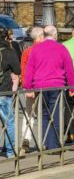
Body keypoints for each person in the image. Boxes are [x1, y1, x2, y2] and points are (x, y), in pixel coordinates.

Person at [23, 26, 74, 151]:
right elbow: (69, 69)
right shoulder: (61, 48)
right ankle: (53, 145)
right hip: (57, 85)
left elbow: (29, 69)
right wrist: (72, 87)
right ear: (55, 35)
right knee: (55, 114)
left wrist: (28, 87)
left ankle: (46, 142)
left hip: (40, 86)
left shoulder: (36, 49)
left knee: (44, 114)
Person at [19, 27, 44, 152]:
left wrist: (26, 87)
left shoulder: (27, 51)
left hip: (31, 86)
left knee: (29, 113)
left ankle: (26, 139)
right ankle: (45, 140)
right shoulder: (46, 50)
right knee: (45, 114)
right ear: (40, 36)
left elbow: (23, 70)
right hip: (44, 86)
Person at [0, 29, 21, 158]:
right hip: (4, 90)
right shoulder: (9, 51)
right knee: (9, 121)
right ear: (6, 38)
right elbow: (17, 70)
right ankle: (10, 152)